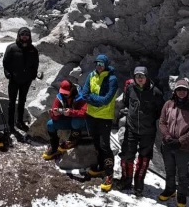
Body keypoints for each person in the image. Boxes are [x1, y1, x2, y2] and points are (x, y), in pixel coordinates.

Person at [113, 66, 164, 196]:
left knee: (144, 157)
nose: (140, 79)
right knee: (126, 155)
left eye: (142, 76)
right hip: (131, 128)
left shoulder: (156, 92)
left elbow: (160, 111)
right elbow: (126, 102)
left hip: (148, 131)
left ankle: (139, 183)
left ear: (147, 77)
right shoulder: (130, 88)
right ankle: (126, 180)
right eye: (137, 76)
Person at [158, 78, 189, 207]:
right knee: (169, 170)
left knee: (182, 173)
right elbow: (162, 122)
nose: (181, 92)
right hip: (168, 144)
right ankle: (170, 190)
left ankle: (182, 195)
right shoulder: (168, 104)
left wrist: (180, 141)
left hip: (184, 147)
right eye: (179, 90)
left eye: (184, 90)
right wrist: (167, 136)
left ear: (188, 91)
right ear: (175, 91)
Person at [83, 54, 118, 191]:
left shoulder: (112, 79)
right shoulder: (91, 75)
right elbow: (85, 94)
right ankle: (100, 167)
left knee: (105, 145)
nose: (99, 66)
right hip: (91, 115)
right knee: (95, 142)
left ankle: (109, 174)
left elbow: (106, 100)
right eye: (97, 63)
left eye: (101, 64)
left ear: (106, 65)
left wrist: (93, 100)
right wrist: (96, 100)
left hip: (104, 117)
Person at [3, 27, 39, 133]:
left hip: (26, 81)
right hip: (14, 80)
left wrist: (33, 75)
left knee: (22, 101)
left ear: (29, 36)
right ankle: (10, 124)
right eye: (22, 35)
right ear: (19, 36)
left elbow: (35, 64)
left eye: (26, 35)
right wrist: (8, 74)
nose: (24, 36)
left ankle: (19, 121)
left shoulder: (33, 49)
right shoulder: (11, 48)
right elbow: (5, 63)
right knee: (12, 102)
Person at [43, 80, 88, 160]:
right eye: (63, 92)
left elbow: (85, 112)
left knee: (76, 122)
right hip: (68, 121)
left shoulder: (81, 96)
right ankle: (54, 147)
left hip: (81, 122)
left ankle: (73, 140)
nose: (64, 94)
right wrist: (54, 114)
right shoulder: (59, 97)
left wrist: (71, 112)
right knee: (50, 124)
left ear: (71, 90)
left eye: (66, 92)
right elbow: (54, 111)